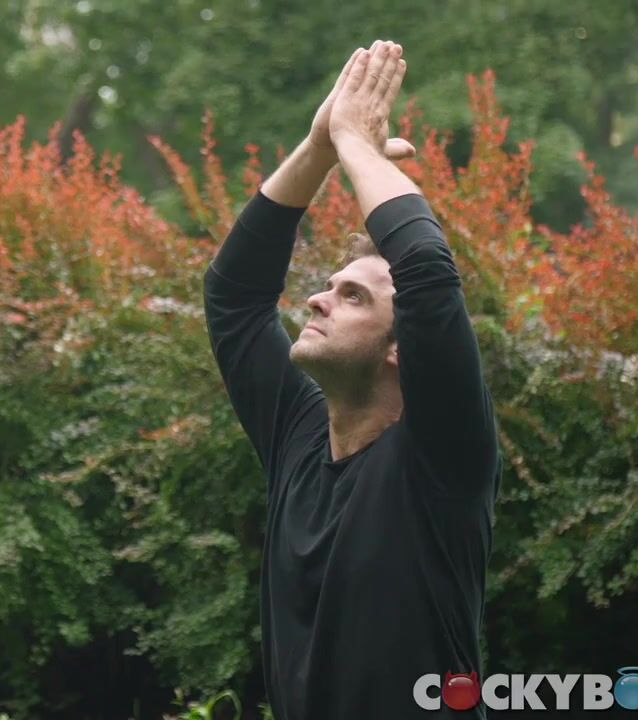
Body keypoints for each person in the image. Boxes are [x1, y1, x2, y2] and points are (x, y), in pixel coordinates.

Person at [203, 41, 499, 718]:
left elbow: (427, 272)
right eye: (329, 285)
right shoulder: (299, 437)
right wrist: (319, 149)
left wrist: (357, 146)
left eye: (353, 297)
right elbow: (234, 297)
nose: (316, 299)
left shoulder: (442, 456)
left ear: (402, 349)